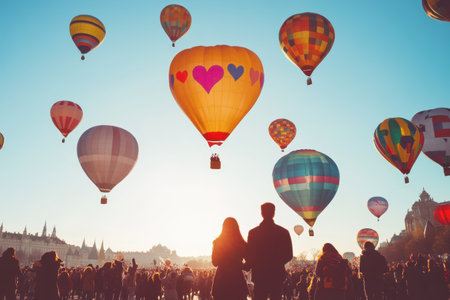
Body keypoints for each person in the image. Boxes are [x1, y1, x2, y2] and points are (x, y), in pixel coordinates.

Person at [247, 202, 293, 300]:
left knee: (259, 296)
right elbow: (289, 254)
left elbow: (250, 255)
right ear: (274, 213)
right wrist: (277, 262)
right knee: (276, 296)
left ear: (262, 213)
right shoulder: (283, 232)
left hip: (259, 274)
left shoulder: (253, 233)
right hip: (276, 273)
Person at [211, 217, 248, 300]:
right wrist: (240, 265)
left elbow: (215, 262)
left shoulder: (217, 242)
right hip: (237, 278)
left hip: (222, 279)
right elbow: (248, 263)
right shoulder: (241, 243)